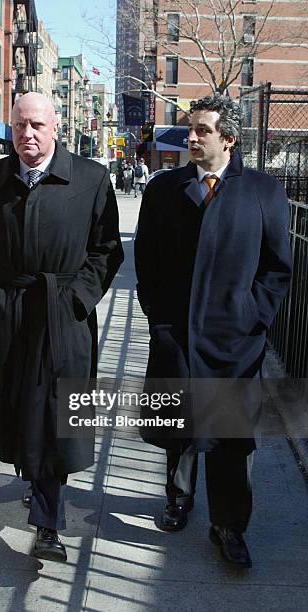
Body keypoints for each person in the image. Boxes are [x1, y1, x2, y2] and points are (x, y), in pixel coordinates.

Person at [0, 92, 123, 562]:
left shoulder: (90, 179)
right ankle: (33, 480)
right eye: (18, 126)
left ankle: (48, 525)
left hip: (64, 316)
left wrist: (76, 298)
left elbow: (107, 249)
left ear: (55, 128)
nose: (26, 135)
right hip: (13, 314)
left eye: (36, 125)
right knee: (20, 410)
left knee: (56, 415)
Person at [134, 95, 292, 568]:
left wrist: (254, 318)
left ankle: (229, 525)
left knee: (231, 436)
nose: (192, 137)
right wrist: (159, 319)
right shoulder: (164, 189)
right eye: (190, 128)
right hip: (177, 331)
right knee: (179, 424)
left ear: (230, 137)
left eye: (203, 129)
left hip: (235, 340)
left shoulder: (263, 191)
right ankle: (178, 498)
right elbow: (147, 259)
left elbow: (277, 266)